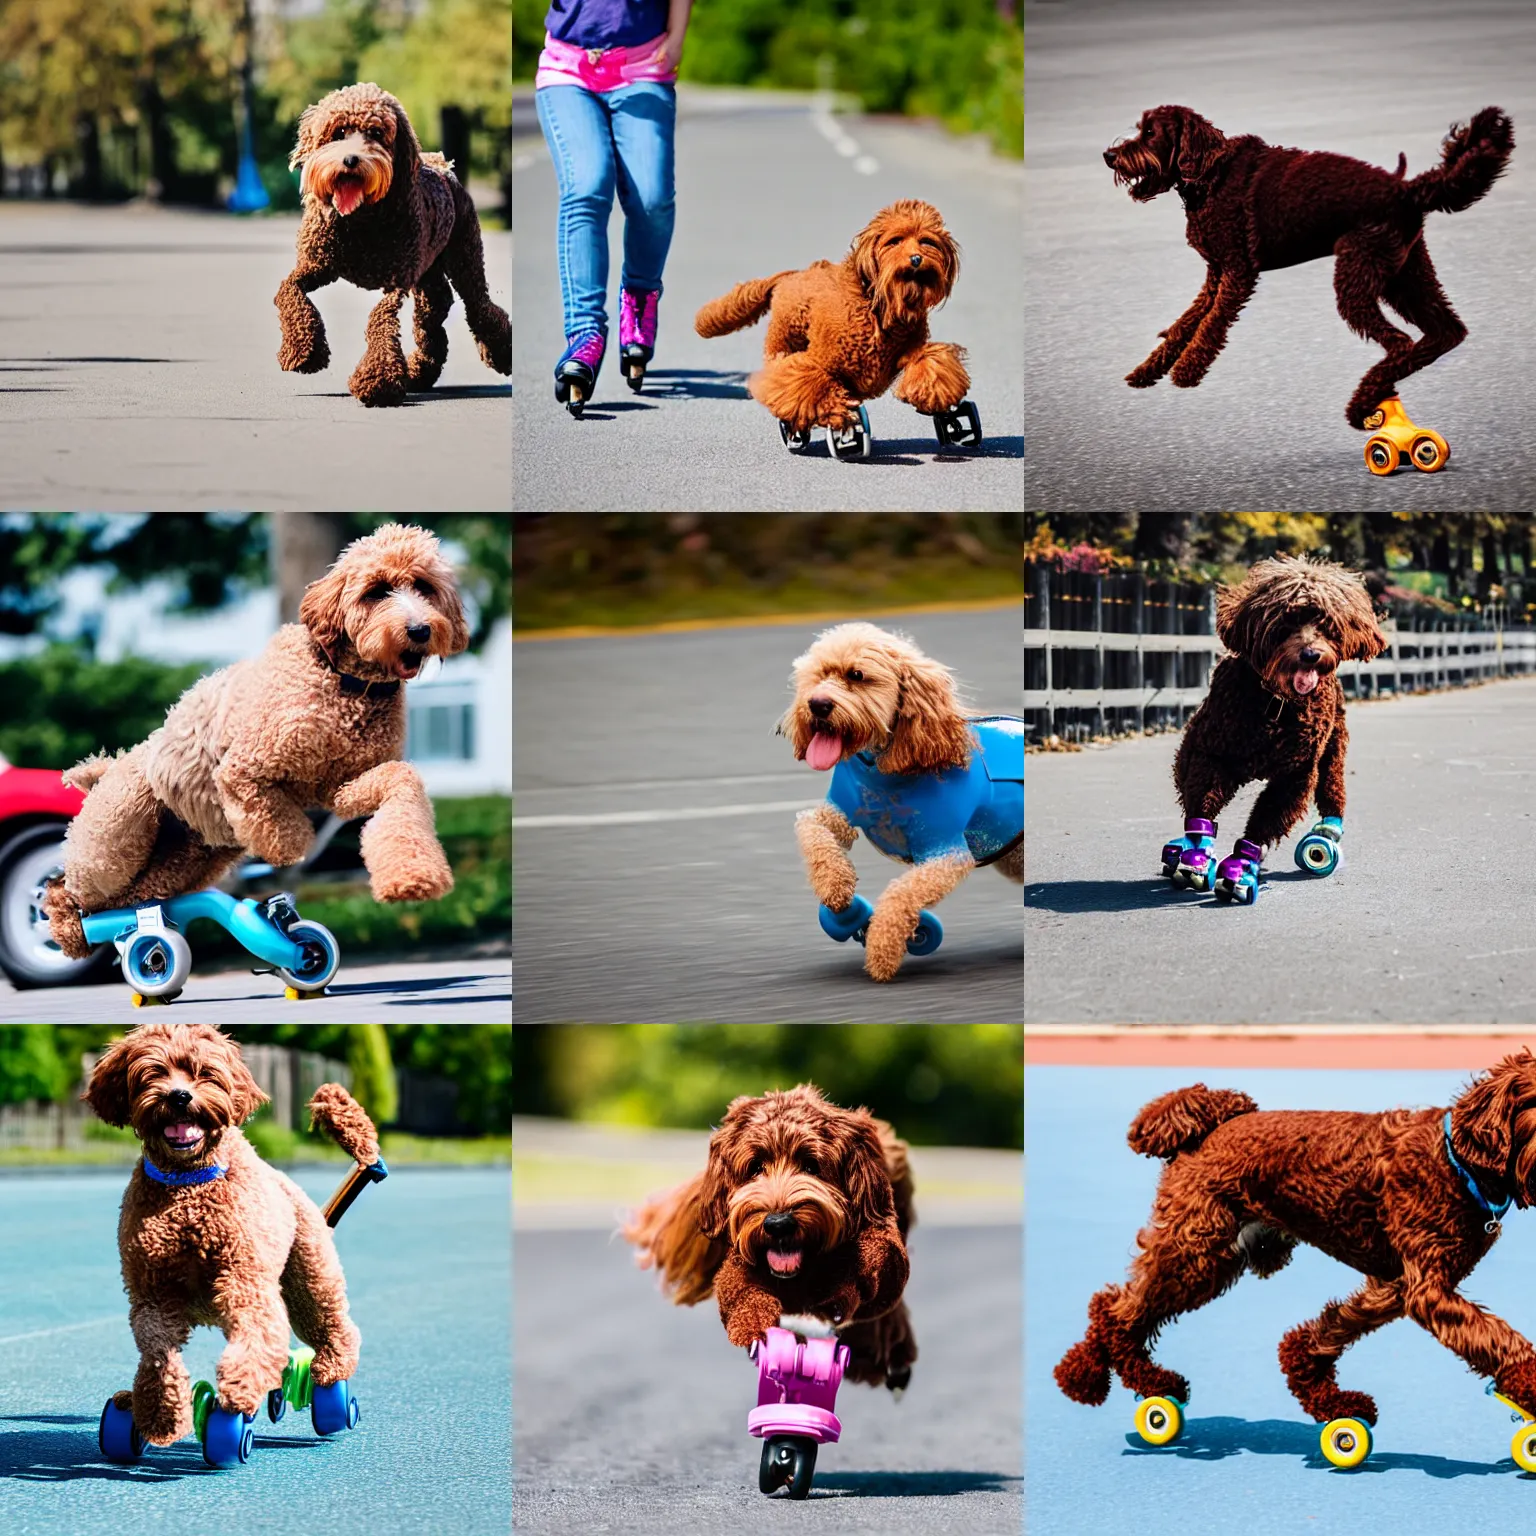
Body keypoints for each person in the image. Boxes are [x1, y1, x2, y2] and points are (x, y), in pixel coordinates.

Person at [536, 0, 694, 413]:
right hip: (567, 69)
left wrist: (677, 37)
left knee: (653, 199)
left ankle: (639, 297)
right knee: (586, 188)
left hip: (644, 67)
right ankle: (585, 334)